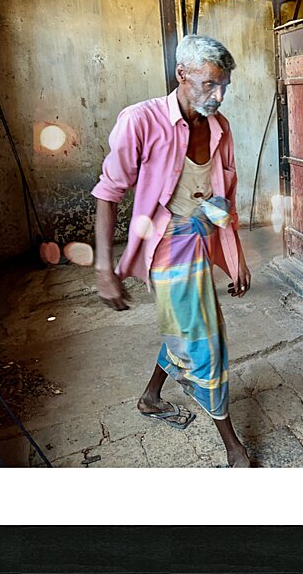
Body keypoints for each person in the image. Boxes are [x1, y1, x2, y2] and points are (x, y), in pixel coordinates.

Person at [91, 34, 252, 468]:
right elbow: (108, 194)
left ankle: (150, 396)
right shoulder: (140, 121)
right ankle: (232, 444)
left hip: (202, 240)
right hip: (164, 247)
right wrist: (105, 269)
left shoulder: (219, 127)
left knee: (188, 329)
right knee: (206, 343)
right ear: (182, 75)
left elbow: (223, 199)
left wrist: (235, 257)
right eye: (208, 85)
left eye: (224, 87)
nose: (217, 96)